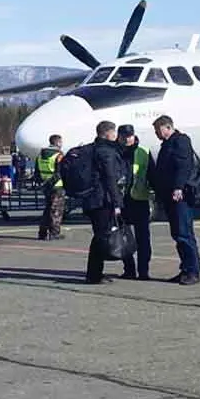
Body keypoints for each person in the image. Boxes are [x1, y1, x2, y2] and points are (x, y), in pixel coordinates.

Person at [59, 121, 125, 284]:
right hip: (101, 200)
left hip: (89, 199)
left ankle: (95, 273)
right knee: (101, 237)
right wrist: (117, 202)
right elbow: (110, 178)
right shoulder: (106, 151)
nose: (116, 135)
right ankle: (94, 275)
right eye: (114, 132)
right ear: (108, 133)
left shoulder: (90, 149)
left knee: (99, 236)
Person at [150, 115, 200, 285]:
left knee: (184, 233)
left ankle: (192, 270)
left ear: (167, 127)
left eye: (158, 130)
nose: (157, 134)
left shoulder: (180, 141)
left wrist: (178, 187)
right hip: (170, 195)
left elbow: (183, 165)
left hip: (180, 196)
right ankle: (186, 269)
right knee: (178, 233)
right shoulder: (168, 143)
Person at [117, 124, 153, 281]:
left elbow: (152, 174)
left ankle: (144, 271)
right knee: (124, 238)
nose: (127, 139)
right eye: (124, 136)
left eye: (129, 136)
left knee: (143, 238)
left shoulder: (143, 152)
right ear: (119, 137)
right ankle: (129, 269)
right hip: (121, 201)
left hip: (139, 199)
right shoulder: (114, 152)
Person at [35, 134, 65, 240]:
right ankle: (54, 232)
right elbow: (60, 172)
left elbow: (37, 172)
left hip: (45, 185)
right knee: (56, 210)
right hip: (57, 186)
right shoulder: (58, 155)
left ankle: (42, 232)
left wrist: (42, 183)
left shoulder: (40, 155)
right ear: (57, 143)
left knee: (47, 209)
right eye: (61, 142)